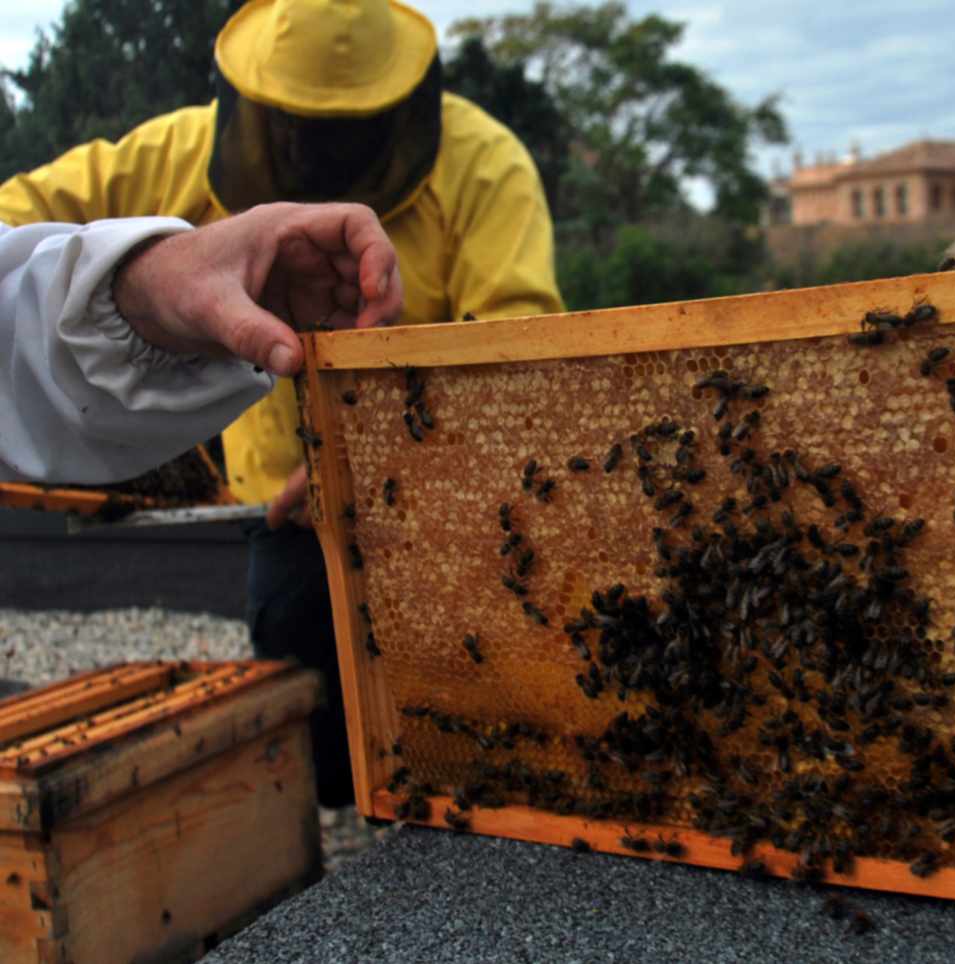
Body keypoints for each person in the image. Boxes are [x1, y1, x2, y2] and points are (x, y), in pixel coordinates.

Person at [0, 0, 565, 807]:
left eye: (343, 131)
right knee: (308, 724)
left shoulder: (485, 164)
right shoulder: (170, 154)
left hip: (451, 518)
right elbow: (10, 232)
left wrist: (388, 460)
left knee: (466, 734)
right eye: (294, 128)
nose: (315, 152)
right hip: (279, 517)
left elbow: (524, 351)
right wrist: (143, 267)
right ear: (254, 101)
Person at [1, 202, 401, 483]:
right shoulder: (167, 149)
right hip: (266, 483)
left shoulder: (461, 168)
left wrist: (141, 289)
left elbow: (18, 333)